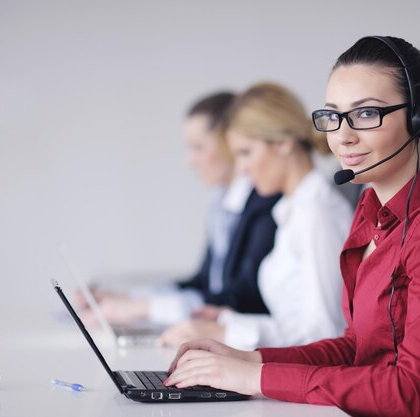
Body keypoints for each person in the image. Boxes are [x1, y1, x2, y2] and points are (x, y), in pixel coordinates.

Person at [163, 36, 420, 417]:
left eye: (365, 114)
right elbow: (356, 347)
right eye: (333, 116)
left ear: (418, 118)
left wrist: (253, 380)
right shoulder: (373, 208)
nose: (342, 136)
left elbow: (412, 391)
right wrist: (250, 360)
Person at [160, 82, 353, 349]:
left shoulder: (317, 214)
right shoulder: (291, 210)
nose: (241, 169)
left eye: (246, 153)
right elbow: (294, 320)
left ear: (284, 142)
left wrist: (225, 333)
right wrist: (228, 320)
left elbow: (326, 332)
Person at [78, 91, 280, 326]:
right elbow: (204, 282)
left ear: (229, 142)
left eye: (198, 148)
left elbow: (245, 297)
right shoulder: (220, 203)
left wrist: (142, 308)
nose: (190, 160)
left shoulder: (266, 203)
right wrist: (128, 299)